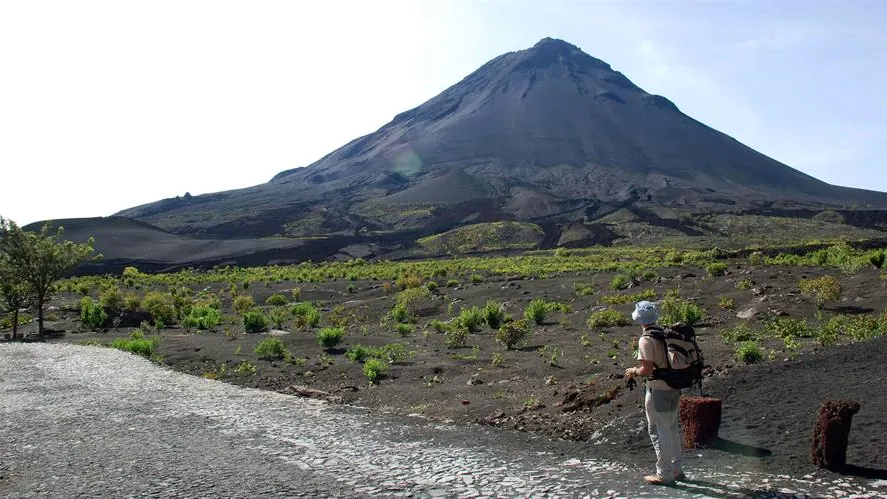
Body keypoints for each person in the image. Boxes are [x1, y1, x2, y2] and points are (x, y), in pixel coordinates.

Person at [624, 300, 685, 485]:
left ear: (640, 320)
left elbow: (646, 370)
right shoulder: (664, 334)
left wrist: (633, 371)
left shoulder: (646, 339)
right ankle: (677, 469)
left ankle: (664, 473)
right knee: (671, 427)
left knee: (658, 430)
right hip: (674, 386)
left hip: (658, 388)